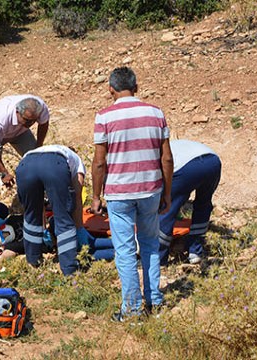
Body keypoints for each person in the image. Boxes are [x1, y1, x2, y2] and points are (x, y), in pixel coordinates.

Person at [91, 67, 173, 320]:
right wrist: (167, 192)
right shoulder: (156, 113)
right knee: (149, 245)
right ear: (136, 88)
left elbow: (99, 162)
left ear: (111, 90)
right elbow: (167, 158)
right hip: (150, 189)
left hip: (119, 193)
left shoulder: (104, 117)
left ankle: (132, 309)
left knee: (125, 250)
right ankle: (154, 301)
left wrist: (96, 196)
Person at [15, 144, 89, 276]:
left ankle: (33, 260)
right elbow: (77, 196)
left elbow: (38, 205)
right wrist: (79, 228)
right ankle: (69, 269)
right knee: (63, 218)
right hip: (53, 166)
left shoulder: (40, 150)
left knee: (31, 216)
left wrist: (43, 228)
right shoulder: (76, 161)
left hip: (25, 165)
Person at [159, 140, 221, 265]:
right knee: (203, 205)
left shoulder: (152, 157)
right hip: (213, 162)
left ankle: (158, 258)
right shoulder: (174, 145)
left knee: (167, 210)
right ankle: (196, 251)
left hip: (186, 167)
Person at [0, 95, 50, 198]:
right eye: (26, 120)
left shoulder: (40, 108)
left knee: (37, 158)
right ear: (17, 112)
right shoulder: (0, 119)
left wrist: (38, 146)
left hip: (20, 132)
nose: (30, 124)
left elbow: (44, 123)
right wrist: (4, 172)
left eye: (33, 121)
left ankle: (45, 196)